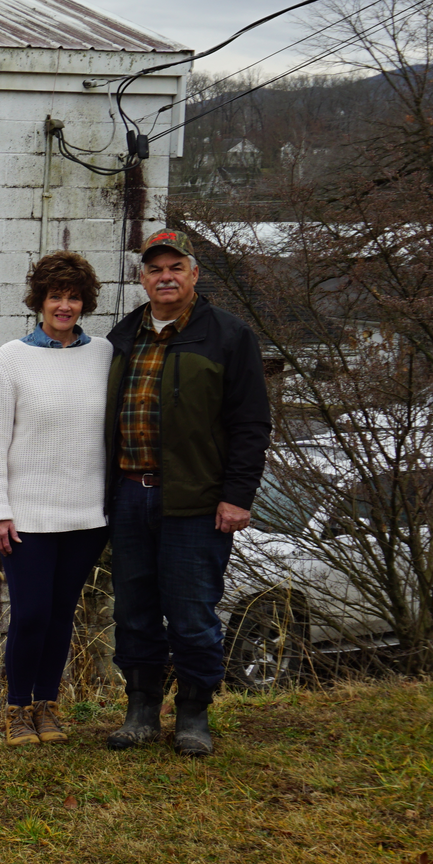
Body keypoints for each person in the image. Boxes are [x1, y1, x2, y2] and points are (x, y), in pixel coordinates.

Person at [102, 229, 271, 757]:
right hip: (130, 494)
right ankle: (141, 710)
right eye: (155, 269)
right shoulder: (124, 334)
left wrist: (237, 495)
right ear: (142, 278)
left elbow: (251, 423)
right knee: (133, 610)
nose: (165, 277)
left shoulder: (227, 336)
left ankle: (194, 714)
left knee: (193, 611)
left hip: (195, 502)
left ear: (194, 275)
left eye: (176, 267)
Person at [0, 251, 113, 747]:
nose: (65, 305)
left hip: (86, 515)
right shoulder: (12, 357)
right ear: (40, 301)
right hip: (28, 516)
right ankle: (16, 709)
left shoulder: (102, 354)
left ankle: (47, 706)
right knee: (31, 613)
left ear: (84, 303)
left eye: (73, 296)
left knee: (61, 613)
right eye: (56, 296)